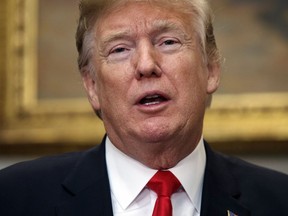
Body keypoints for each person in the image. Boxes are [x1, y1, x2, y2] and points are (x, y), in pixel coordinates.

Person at [0, 0, 287, 215]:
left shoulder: (278, 200)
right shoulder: (13, 198)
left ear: (210, 68)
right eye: (120, 49)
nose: (147, 65)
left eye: (168, 42)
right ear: (92, 86)